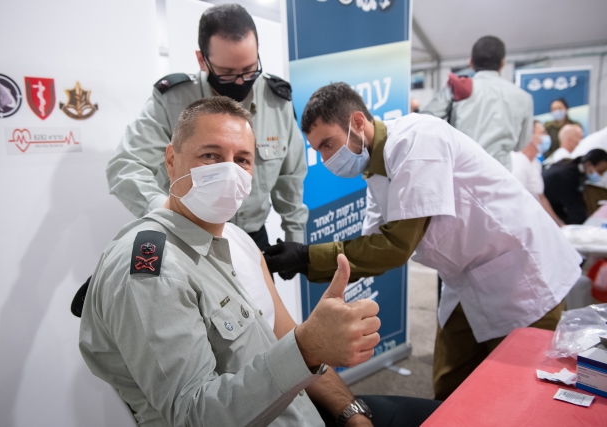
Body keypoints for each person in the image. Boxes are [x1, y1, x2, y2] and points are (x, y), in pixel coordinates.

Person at [79, 97, 440, 427]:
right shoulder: (154, 272)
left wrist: (352, 413)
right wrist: (307, 348)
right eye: (210, 155)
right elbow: (194, 416)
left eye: (242, 160)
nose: (229, 172)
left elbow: (286, 337)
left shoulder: (238, 241)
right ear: (171, 161)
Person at [264, 83, 581, 400]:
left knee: (522, 392)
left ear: (357, 122)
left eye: (328, 144)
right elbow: (370, 248)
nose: (326, 158)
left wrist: (307, 256)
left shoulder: (416, 140)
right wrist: (305, 263)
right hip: (466, 278)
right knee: (450, 385)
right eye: (319, 150)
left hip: (521, 272)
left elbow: (393, 248)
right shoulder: (376, 170)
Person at [106, 3, 307, 249]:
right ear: (202, 60)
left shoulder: (276, 100)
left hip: (253, 239)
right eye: (227, 73)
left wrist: (296, 241)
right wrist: (166, 212)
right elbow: (125, 165)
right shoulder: (171, 100)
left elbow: (290, 178)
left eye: (249, 69)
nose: (241, 81)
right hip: (188, 236)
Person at [421, 36, 533, 171]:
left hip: (462, 172)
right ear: (503, 63)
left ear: (470, 62)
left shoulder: (458, 87)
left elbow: (424, 121)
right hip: (501, 173)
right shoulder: (523, 97)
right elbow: (521, 145)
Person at [510, 121, 564, 226]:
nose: (547, 137)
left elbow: (540, 197)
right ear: (529, 137)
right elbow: (515, 200)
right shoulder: (518, 162)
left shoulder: (536, 163)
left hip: (536, 221)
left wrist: (558, 224)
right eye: (543, 133)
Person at [543, 149, 607, 225]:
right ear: (588, 165)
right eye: (600, 171)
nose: (601, 175)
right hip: (547, 211)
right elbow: (575, 209)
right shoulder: (567, 176)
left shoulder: (570, 167)